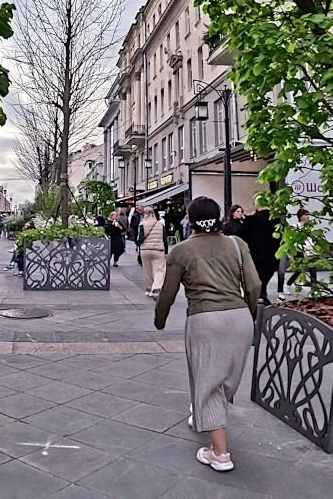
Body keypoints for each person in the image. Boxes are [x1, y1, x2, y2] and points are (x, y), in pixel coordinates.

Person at [154, 196, 260, 473]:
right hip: (239, 317)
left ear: (189, 219)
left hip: (204, 320)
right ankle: (202, 413)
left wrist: (160, 320)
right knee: (226, 379)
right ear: (218, 218)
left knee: (208, 381)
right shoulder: (237, 245)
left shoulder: (181, 250)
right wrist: (250, 314)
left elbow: (168, 292)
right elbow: (254, 284)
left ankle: (220, 453)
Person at [241, 204, 282, 305]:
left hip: (254, 255)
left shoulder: (250, 220)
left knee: (256, 277)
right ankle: (262, 293)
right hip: (271, 256)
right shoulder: (277, 221)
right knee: (265, 277)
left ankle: (259, 296)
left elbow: (243, 237)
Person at [139, 205, 169, 298]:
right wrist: (166, 252)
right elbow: (165, 239)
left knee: (148, 271)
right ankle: (156, 288)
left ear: (145, 214)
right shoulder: (160, 224)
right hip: (158, 250)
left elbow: (140, 239)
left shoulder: (142, 225)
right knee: (159, 270)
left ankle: (149, 289)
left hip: (145, 250)